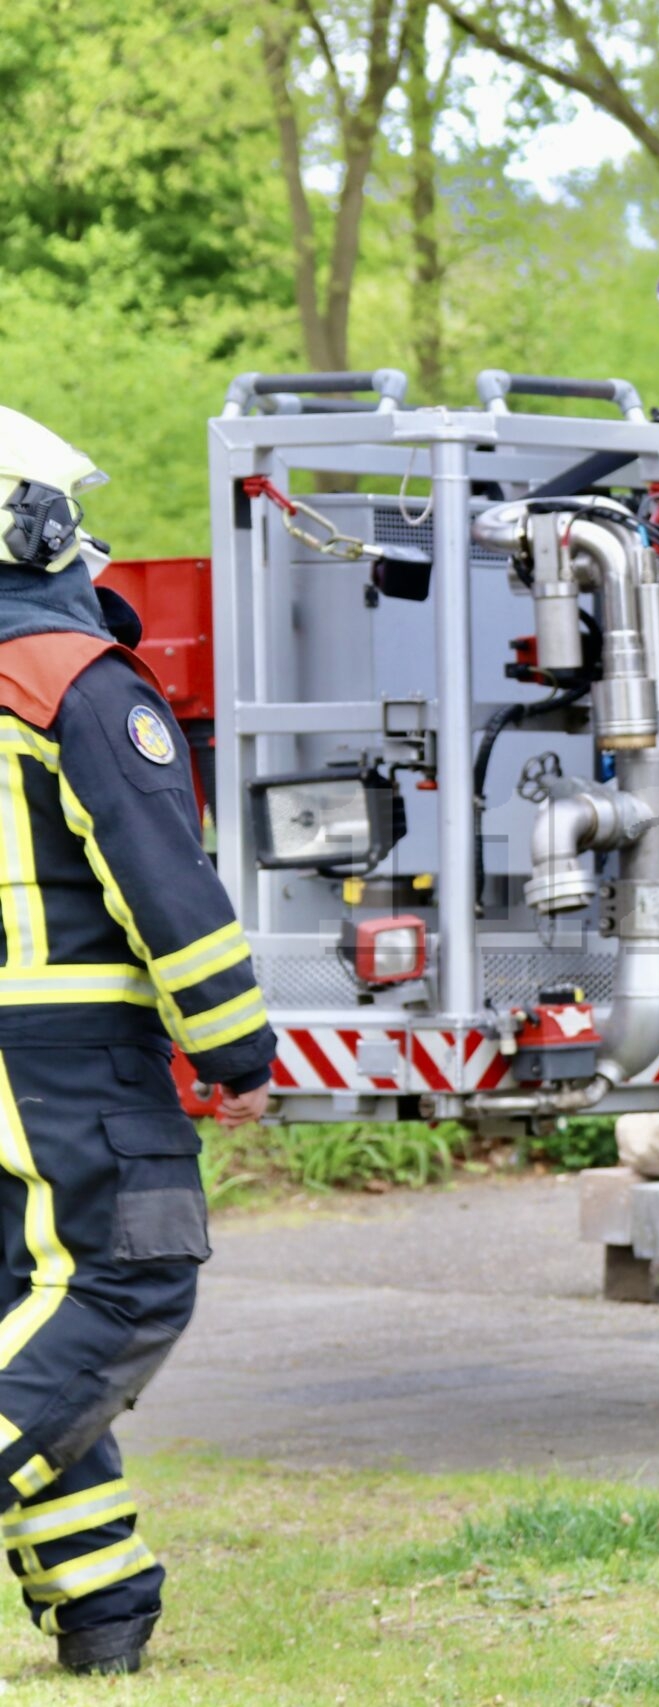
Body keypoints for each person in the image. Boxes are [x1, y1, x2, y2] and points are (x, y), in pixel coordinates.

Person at [0, 408, 274, 1676]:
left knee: (23, 1304)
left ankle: (103, 1602)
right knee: (123, 1282)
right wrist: (237, 1052)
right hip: (62, 1053)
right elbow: (159, 876)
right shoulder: (70, 680)